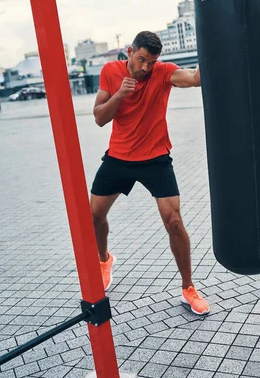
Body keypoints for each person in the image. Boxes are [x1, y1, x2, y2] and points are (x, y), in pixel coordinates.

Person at [90, 31, 210, 315]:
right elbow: (99, 117)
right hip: (119, 158)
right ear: (130, 51)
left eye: (151, 62)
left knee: (174, 222)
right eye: (142, 59)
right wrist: (120, 93)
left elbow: (195, 78)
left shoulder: (163, 72)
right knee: (94, 216)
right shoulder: (110, 71)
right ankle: (104, 259)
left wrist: (212, 42)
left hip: (155, 158)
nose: (146, 68)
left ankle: (188, 287)